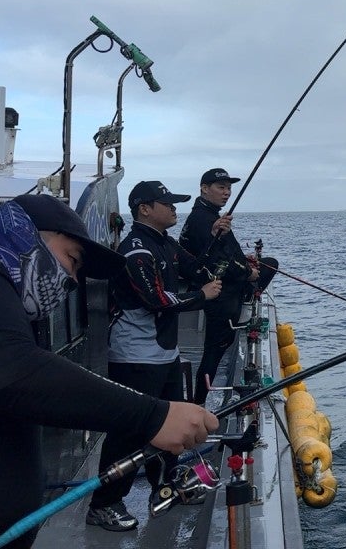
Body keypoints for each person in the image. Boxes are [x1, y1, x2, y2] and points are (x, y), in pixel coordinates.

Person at [0, 193, 218, 548]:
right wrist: (151, 415)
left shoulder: (7, 300)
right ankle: (107, 504)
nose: (73, 280)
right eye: (73, 259)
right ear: (25, 233)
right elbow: (8, 370)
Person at [85, 181, 227, 530]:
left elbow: (197, 268)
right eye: (167, 203)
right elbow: (156, 300)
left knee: (170, 428)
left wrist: (216, 236)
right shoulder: (136, 250)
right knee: (128, 433)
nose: (174, 208)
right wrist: (201, 298)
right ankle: (103, 504)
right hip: (134, 358)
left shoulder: (165, 243)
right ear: (145, 209)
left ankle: (163, 488)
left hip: (164, 356)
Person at [179, 168, 276, 406]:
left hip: (223, 287)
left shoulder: (208, 215)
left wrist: (246, 262)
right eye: (221, 187)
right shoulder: (205, 220)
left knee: (270, 264)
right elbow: (219, 261)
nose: (227, 193)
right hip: (220, 294)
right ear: (204, 188)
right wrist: (249, 273)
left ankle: (248, 292)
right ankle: (198, 402)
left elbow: (228, 252)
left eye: (229, 188)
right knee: (214, 351)